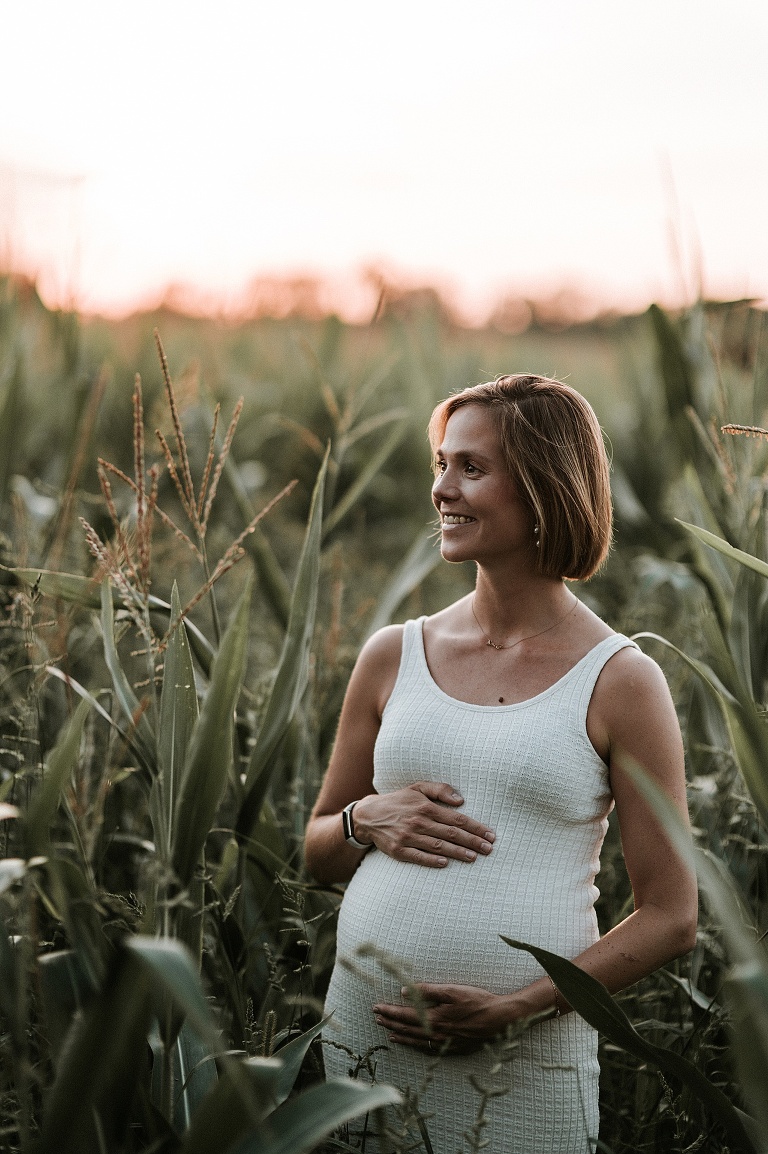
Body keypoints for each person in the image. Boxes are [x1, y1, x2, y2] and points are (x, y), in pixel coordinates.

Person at [305, 374, 697, 1153]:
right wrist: (361, 819)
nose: (442, 490)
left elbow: (671, 916)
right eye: (441, 464)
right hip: (363, 1044)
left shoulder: (621, 680)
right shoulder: (392, 655)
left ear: (546, 488)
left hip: (524, 1064)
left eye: (472, 468)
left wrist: (514, 1009)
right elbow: (317, 854)